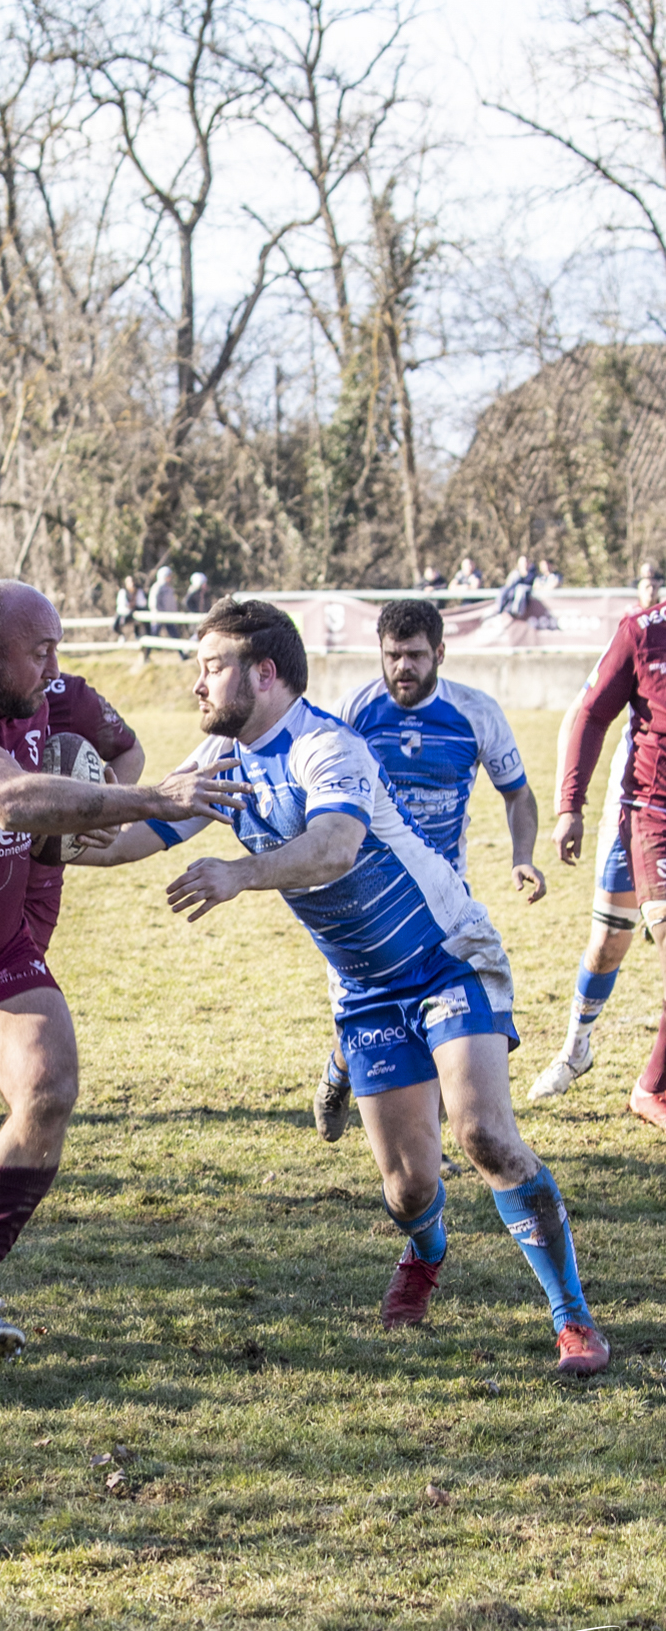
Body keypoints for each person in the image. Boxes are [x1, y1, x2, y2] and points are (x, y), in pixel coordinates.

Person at [75, 598, 609, 1375]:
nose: (197, 685)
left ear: (264, 673)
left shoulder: (327, 746)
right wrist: (43, 840)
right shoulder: (220, 761)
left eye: (212, 667)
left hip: (446, 955)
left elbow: (333, 846)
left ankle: (573, 1321)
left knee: (484, 1136)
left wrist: (239, 873)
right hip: (362, 990)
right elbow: (128, 839)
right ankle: (426, 1251)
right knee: (407, 1189)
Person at [0, 577, 242, 1358]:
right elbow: (6, 799)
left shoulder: (43, 696)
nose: (55, 670)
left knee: (49, 1088)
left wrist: (95, 810)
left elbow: (106, 760)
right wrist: (151, 799)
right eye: (41, 653)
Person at [314, 598, 546, 1140]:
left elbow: (518, 794)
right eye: (392, 655)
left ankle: (429, 1147)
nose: (403, 667)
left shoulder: (476, 713)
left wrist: (523, 857)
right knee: (369, 1015)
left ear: (440, 652)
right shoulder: (354, 713)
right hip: (367, 898)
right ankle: (339, 1069)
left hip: (445, 899)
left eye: (416, 655)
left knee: (441, 1017)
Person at [0, 669, 145, 1227]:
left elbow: (129, 753)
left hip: (35, 883)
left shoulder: (70, 696)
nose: (47, 663)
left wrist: (102, 809)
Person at [556, 566, 666, 1128]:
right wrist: (569, 806)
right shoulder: (642, 632)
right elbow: (589, 714)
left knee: (613, 941)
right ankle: (580, 1047)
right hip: (647, 813)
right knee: (606, 944)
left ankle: (650, 1086)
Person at [148, 567, 179, 637]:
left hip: (168, 616)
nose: (170, 577)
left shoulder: (169, 588)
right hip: (159, 615)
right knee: (154, 634)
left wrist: (174, 611)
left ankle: (179, 645)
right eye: (169, 575)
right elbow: (153, 602)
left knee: (174, 635)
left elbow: (172, 602)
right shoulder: (157, 587)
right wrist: (157, 612)